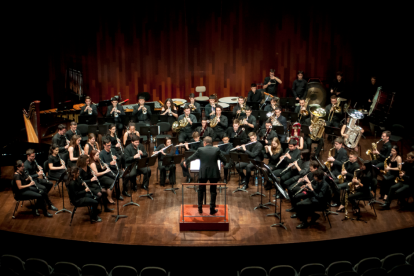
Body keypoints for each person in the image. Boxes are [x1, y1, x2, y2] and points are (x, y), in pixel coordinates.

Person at [183, 136, 227, 214]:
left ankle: (200, 208)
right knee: (213, 191)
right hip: (213, 173)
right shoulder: (216, 149)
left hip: (203, 173)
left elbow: (192, 157)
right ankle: (212, 209)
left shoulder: (200, 150)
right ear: (211, 143)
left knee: (201, 190)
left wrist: (186, 161)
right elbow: (224, 160)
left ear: (205, 143)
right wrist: (223, 163)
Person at [326, 138, 349, 206]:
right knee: (327, 178)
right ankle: (331, 196)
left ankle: (337, 201)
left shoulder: (344, 152)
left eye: (336, 144)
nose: (335, 145)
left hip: (340, 172)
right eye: (334, 144)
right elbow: (336, 158)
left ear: (341, 144)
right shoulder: (337, 150)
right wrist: (331, 161)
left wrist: (333, 160)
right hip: (335, 169)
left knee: (332, 182)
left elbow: (343, 164)